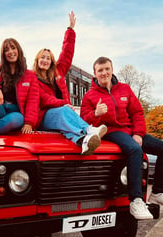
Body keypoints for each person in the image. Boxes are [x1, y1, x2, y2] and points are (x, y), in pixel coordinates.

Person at [80, 56, 163, 220]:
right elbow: (84, 121)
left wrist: (138, 133)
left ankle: (158, 192)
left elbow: (137, 113)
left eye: (107, 69)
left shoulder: (124, 89)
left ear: (112, 70)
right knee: (134, 150)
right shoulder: (90, 95)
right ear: (95, 74)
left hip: (131, 131)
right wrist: (96, 114)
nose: (104, 73)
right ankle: (136, 200)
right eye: (100, 70)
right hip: (111, 132)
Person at [32, 11, 107, 155]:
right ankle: (89, 129)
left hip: (61, 114)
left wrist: (70, 29)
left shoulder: (58, 72)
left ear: (51, 61)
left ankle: (83, 141)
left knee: (67, 127)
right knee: (65, 110)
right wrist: (62, 104)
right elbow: (43, 98)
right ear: (37, 60)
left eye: (48, 58)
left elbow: (67, 52)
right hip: (43, 117)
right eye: (42, 57)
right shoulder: (32, 78)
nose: (45, 60)